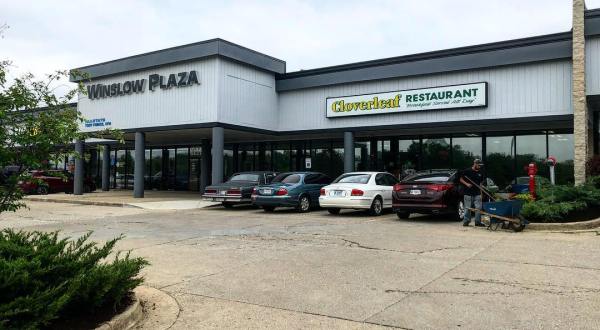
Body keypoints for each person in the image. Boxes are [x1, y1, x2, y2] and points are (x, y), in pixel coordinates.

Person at [460, 159, 485, 227]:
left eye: (480, 165)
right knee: (467, 208)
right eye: (479, 165)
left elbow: (480, 184)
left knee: (478, 208)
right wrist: (467, 184)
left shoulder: (481, 173)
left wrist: (481, 193)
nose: (479, 167)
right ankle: (466, 221)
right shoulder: (467, 171)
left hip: (477, 193)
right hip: (468, 193)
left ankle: (477, 222)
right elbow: (461, 179)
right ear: (475, 164)